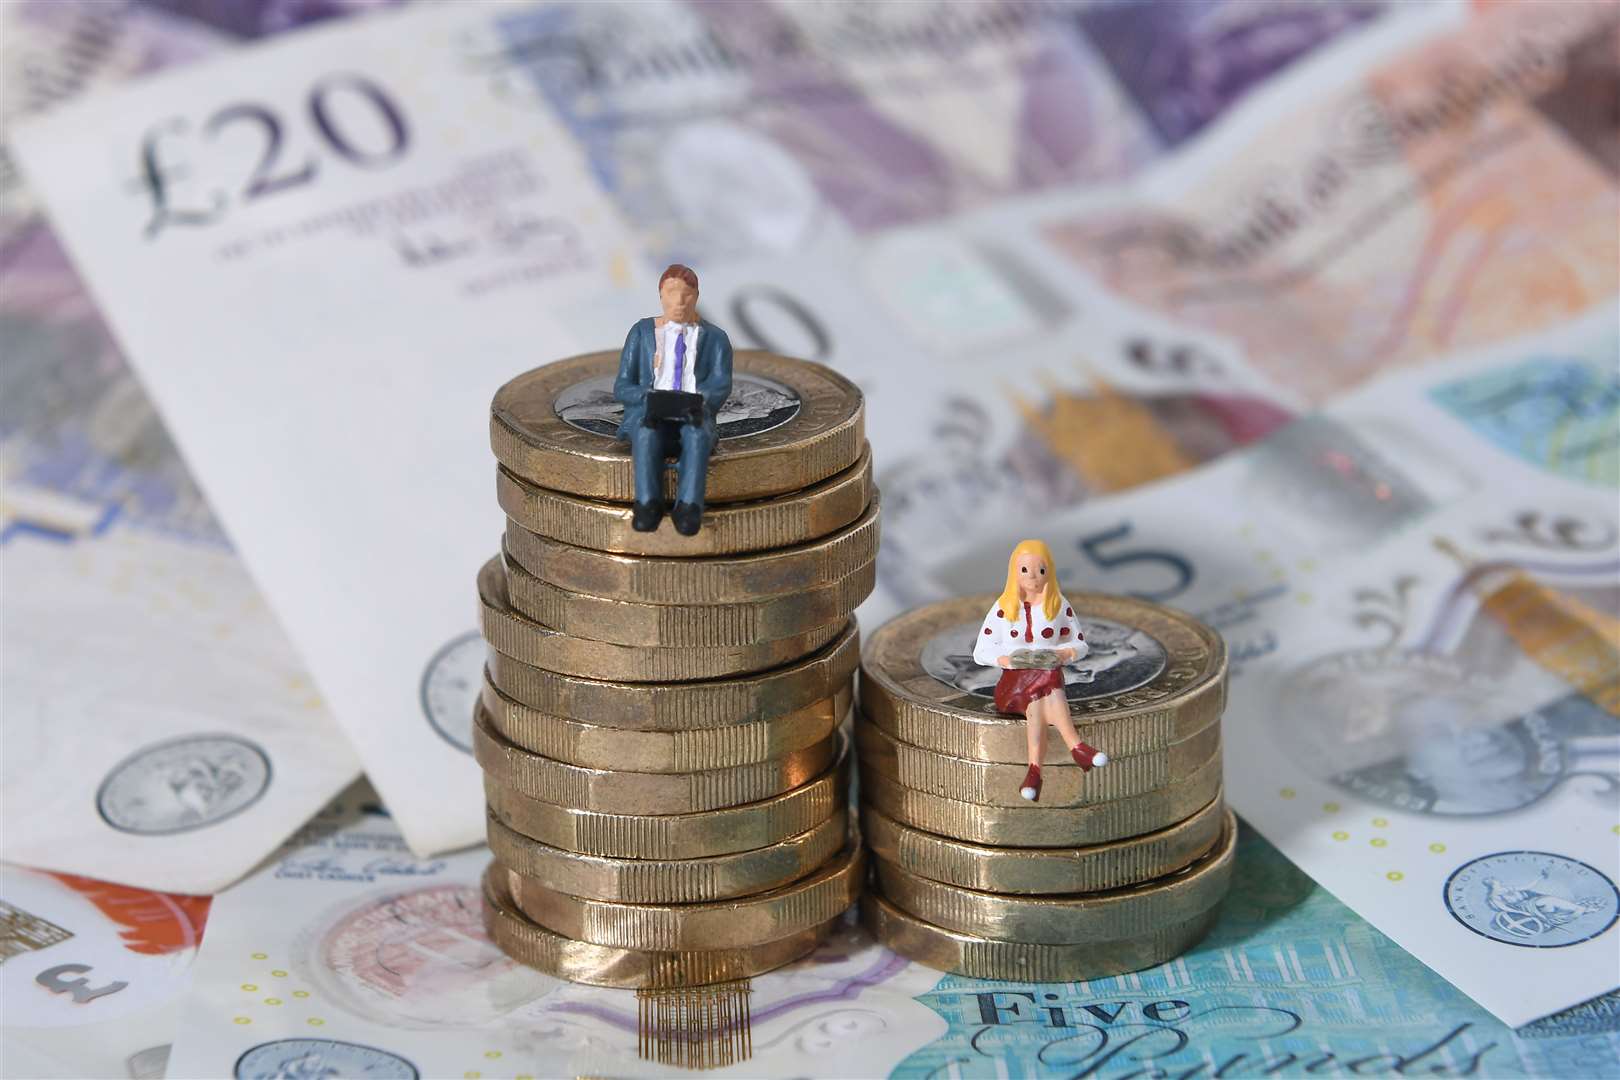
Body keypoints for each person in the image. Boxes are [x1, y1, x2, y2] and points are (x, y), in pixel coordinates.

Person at [973, 539, 1108, 801]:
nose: (1033, 577)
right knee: (1047, 680)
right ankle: (1076, 746)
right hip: (1013, 687)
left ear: (1050, 572)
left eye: (1041, 570)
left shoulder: (1059, 605)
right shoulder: (1003, 609)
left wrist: (1066, 653)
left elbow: (1079, 643)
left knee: (1042, 691)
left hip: (1041, 687)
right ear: (1014, 572)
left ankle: (1035, 770)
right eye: (1025, 570)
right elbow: (980, 651)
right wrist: (1007, 660)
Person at [612, 264, 733, 535]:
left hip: (692, 412)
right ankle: (647, 503)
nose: (679, 301)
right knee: (645, 433)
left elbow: (722, 384)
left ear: (697, 296)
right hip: (651, 411)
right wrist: (647, 396)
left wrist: (701, 401)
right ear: (660, 295)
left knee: (697, 436)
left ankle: (689, 506)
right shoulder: (641, 333)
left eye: (687, 294)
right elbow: (621, 386)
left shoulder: (716, 339)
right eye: (671, 293)